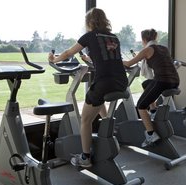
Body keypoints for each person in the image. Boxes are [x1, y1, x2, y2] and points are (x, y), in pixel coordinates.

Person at [48, 8, 128, 167]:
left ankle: (85, 158)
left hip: (104, 82)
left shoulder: (89, 36)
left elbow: (68, 52)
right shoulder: (113, 37)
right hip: (121, 81)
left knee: (85, 119)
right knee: (96, 99)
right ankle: (107, 125)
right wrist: (88, 59)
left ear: (90, 22)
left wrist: (54, 59)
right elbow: (107, 57)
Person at [123, 28, 179, 147]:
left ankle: (150, 134)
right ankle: (153, 111)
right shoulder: (164, 48)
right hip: (174, 81)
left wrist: (117, 61)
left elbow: (128, 64)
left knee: (141, 106)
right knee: (146, 84)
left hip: (162, 81)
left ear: (144, 39)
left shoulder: (147, 49)